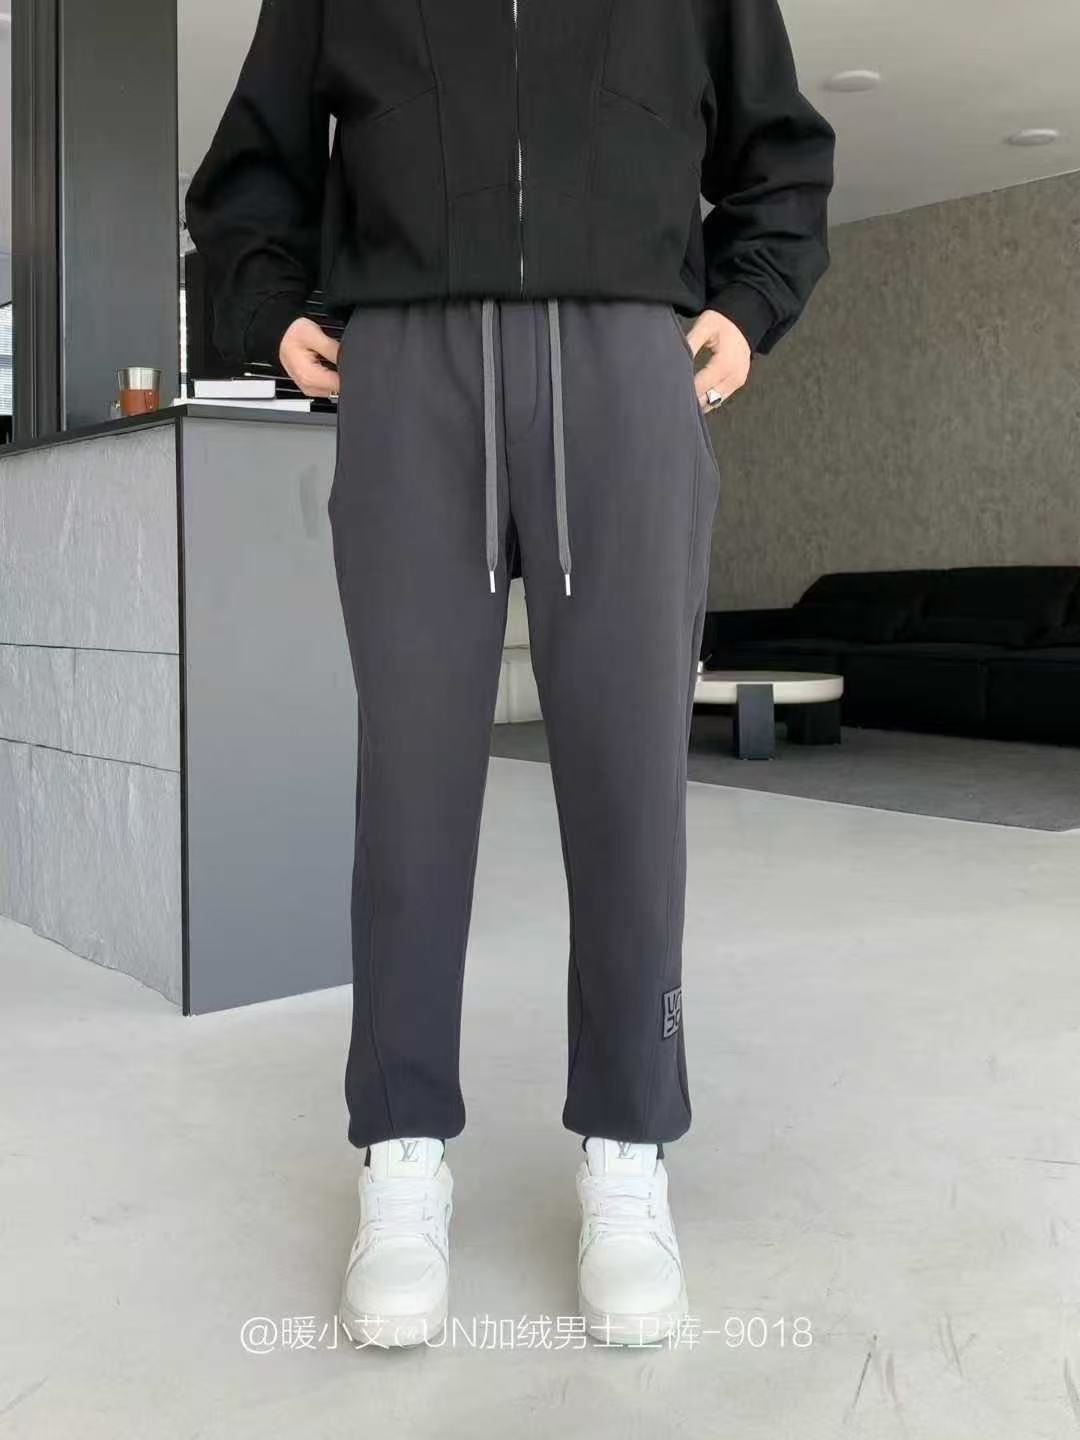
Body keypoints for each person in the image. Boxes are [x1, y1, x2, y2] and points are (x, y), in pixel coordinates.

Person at [186, 0, 834, 1349]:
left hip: (628, 361)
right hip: (410, 369)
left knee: (630, 782)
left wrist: (750, 301)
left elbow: (780, 150)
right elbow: (251, 168)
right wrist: (269, 307)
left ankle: (627, 1151)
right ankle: (403, 1153)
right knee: (411, 787)